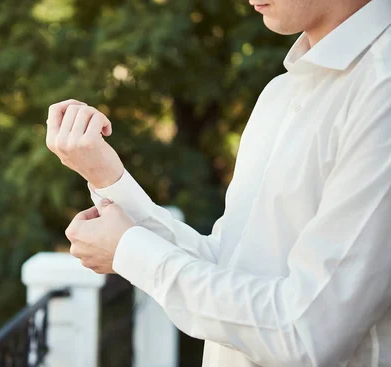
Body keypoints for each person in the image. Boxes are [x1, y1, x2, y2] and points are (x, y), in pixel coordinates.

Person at [45, 0, 391, 365]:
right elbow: (225, 266)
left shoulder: (381, 91)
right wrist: (105, 176)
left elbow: (306, 332)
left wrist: (130, 252)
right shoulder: (281, 93)